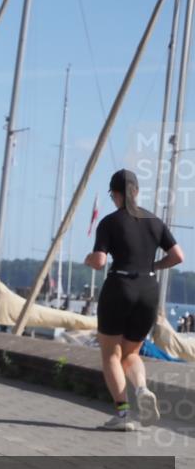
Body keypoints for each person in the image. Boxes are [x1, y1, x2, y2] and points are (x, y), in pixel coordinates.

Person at [84, 169, 183, 432]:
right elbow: (178, 256)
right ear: (136, 191)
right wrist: (154, 266)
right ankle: (141, 389)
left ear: (115, 195)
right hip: (148, 290)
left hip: (120, 287)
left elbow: (101, 261)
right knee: (132, 353)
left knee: (111, 354)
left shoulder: (109, 222)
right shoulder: (155, 221)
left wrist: (90, 259)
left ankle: (123, 414)